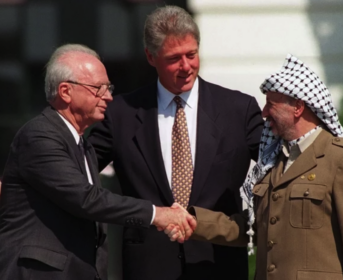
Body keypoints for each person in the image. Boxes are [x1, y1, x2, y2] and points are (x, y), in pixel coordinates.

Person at [87, 5, 263, 280]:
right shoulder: (121, 113)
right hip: (149, 266)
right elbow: (77, 170)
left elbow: (280, 167)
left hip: (219, 263)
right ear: (150, 56)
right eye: (173, 58)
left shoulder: (238, 110)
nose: (186, 66)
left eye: (191, 55)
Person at [0, 44, 196, 280]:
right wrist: (158, 214)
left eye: (109, 87)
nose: (108, 96)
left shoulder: (83, 144)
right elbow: (87, 200)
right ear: (65, 91)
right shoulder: (39, 136)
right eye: (98, 88)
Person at [168, 54, 343, 279]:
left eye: (271, 104)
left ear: (297, 107)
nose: (264, 113)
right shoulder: (274, 161)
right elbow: (252, 226)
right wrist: (193, 220)